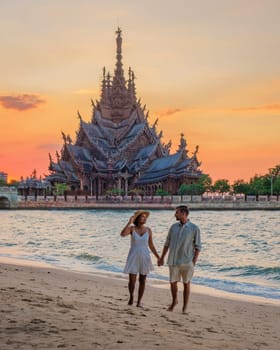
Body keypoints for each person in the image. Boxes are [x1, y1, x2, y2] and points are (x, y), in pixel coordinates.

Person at [158, 205, 201, 314]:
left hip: (187, 261)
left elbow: (198, 246)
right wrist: (162, 257)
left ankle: (185, 307)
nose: (175, 214)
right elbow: (167, 243)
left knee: (186, 283)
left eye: (177, 212)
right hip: (173, 260)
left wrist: (193, 262)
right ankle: (174, 301)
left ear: (183, 213)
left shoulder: (194, 228)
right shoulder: (173, 227)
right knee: (173, 282)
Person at [121, 210, 160, 307]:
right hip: (133, 255)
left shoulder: (148, 230)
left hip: (145, 256)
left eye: (145, 217)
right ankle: (131, 296)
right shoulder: (132, 228)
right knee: (132, 280)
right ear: (138, 219)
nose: (145, 218)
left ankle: (139, 301)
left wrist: (158, 257)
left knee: (143, 280)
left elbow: (151, 245)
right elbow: (122, 234)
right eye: (142, 216)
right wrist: (129, 222)